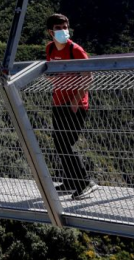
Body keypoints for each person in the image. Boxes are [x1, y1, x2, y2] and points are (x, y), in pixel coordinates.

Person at [44, 14, 98, 199]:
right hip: (58, 102)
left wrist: (75, 100)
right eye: (59, 27)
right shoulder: (50, 48)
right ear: (51, 32)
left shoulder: (76, 50)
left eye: (65, 27)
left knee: (66, 142)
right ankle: (70, 181)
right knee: (60, 143)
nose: (64, 30)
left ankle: (85, 182)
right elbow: (51, 73)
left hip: (75, 105)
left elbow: (88, 77)